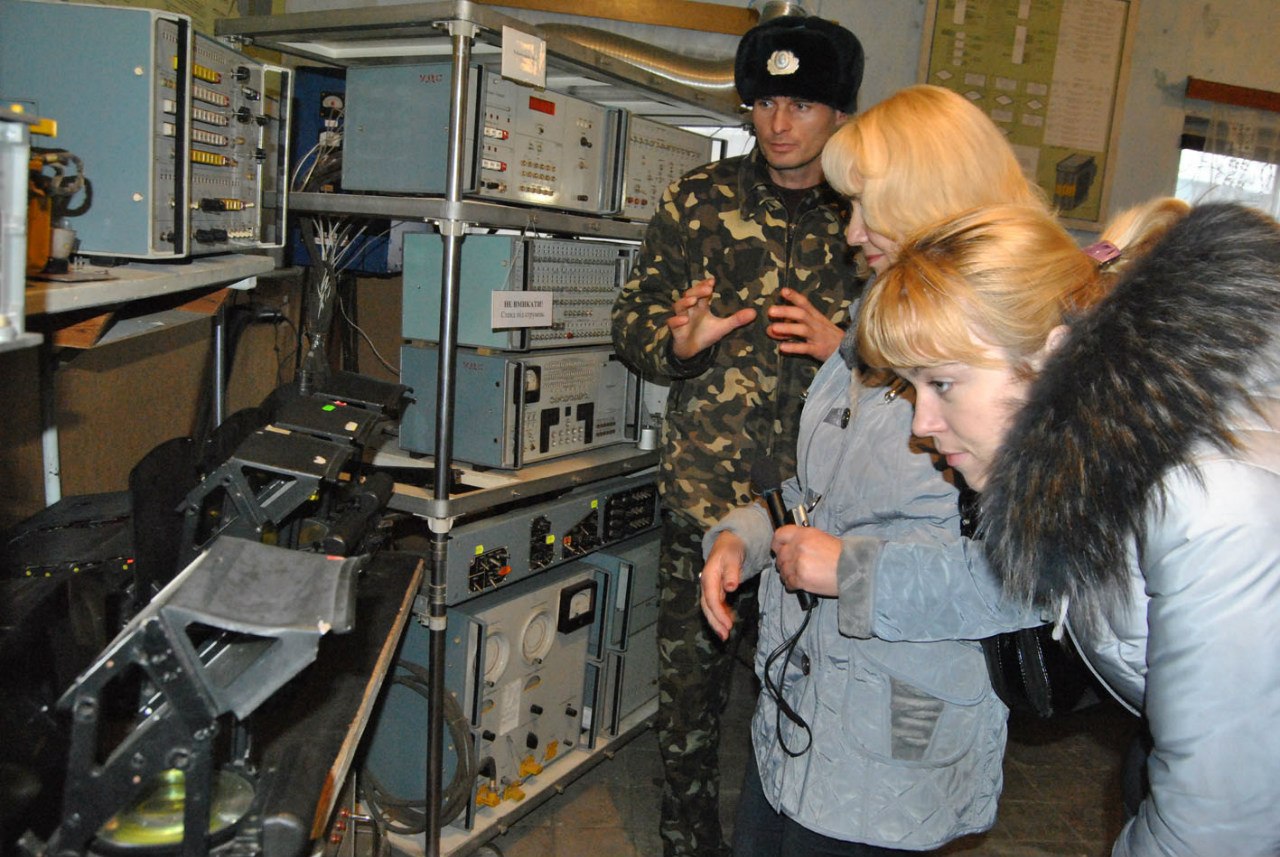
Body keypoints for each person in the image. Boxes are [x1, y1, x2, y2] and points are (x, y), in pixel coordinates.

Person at [856, 199, 1280, 856]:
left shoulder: (1205, 498)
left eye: (942, 383)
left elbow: (1219, 826)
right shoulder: (1093, 469)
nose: (922, 423)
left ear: (1054, 354)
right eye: (913, 387)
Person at [697, 86, 1051, 856]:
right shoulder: (873, 324)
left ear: (930, 195)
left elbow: (1027, 580)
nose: (852, 231)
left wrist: (851, 571)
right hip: (800, 711)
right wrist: (742, 538)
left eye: (865, 206)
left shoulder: (1008, 359)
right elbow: (821, 492)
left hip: (894, 741)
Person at [610, 15, 865, 857]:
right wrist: (679, 345)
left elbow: (920, 356)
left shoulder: (870, 215)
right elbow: (632, 322)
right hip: (706, 501)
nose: (778, 124)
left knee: (811, 700)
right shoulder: (699, 201)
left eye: (801, 105)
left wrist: (846, 350)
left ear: (840, 112)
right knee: (687, 708)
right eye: (763, 103)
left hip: (820, 513)